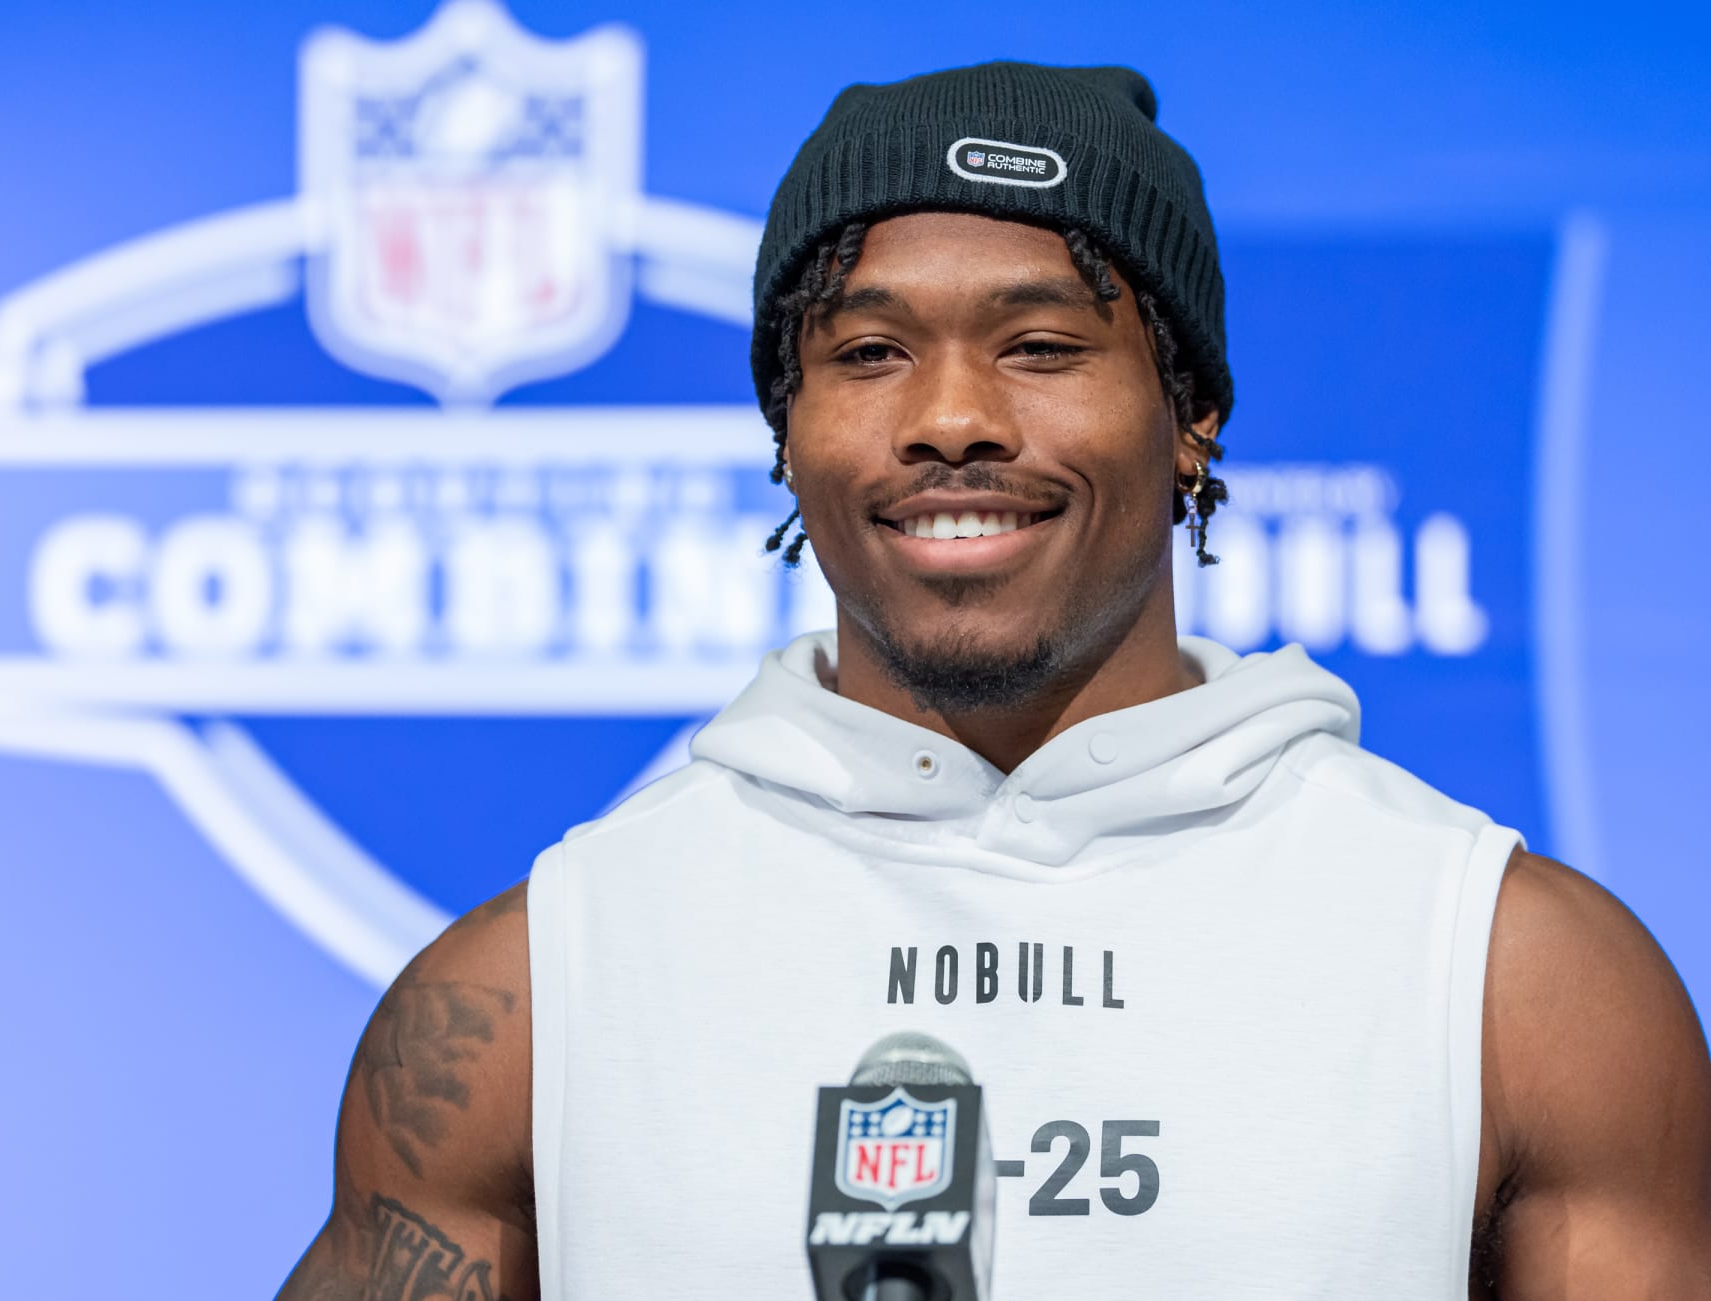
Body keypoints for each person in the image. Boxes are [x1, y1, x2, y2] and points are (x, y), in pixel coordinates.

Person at [277, 62, 1711, 1300]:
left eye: (1039, 346)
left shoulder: (1516, 979)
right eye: (870, 352)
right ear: (787, 423)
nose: (952, 417)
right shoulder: (526, 990)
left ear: (1192, 411)